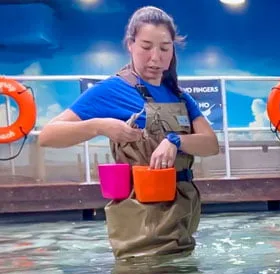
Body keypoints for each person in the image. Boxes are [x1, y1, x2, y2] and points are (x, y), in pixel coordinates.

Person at [39, 6, 220, 260]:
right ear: (130, 45)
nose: (155, 58)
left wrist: (175, 141)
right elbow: (48, 136)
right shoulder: (112, 90)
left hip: (182, 212)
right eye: (146, 47)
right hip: (140, 218)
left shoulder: (180, 96)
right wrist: (99, 126)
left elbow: (211, 145)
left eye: (165, 48)